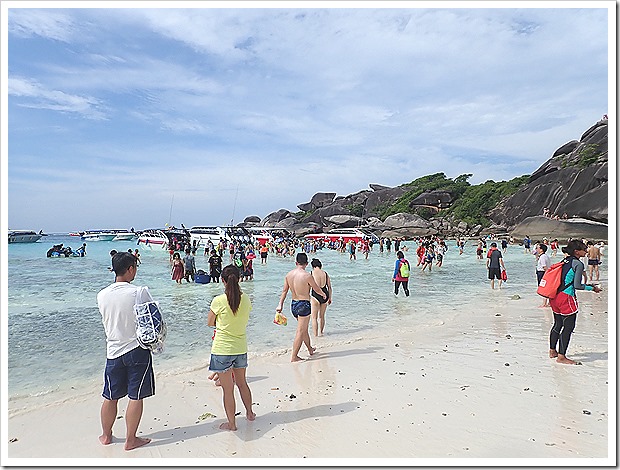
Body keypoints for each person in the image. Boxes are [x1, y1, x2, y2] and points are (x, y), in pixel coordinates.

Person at [97, 252, 155, 451]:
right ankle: (131, 439)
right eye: (135, 267)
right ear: (130, 269)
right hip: (136, 349)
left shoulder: (101, 295)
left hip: (112, 350)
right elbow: (152, 320)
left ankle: (106, 435)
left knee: (110, 396)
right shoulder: (139, 292)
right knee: (135, 396)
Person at [207, 265, 256, 430]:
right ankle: (250, 413)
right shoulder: (247, 299)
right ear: (240, 279)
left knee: (228, 390)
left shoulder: (218, 300)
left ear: (222, 280)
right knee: (242, 383)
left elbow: (209, 322)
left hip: (222, 349)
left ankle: (232, 424)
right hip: (240, 347)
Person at [549, 241, 602, 365]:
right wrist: (592, 288)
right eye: (584, 249)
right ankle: (561, 357)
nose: (586, 251)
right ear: (576, 251)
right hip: (566, 297)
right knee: (568, 327)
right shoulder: (578, 264)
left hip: (554, 296)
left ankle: (552, 351)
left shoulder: (564, 260)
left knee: (557, 324)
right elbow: (577, 285)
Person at [276, 252, 326, 362]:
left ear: (296, 262)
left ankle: (310, 349)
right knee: (300, 331)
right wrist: (323, 294)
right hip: (304, 304)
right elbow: (316, 288)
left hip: (293, 304)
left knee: (303, 330)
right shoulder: (307, 275)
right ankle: (294, 356)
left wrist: (280, 304)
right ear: (307, 263)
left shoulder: (289, 275)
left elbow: (284, 291)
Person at [310, 258, 332, 337]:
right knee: (322, 316)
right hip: (325, 294)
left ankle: (316, 335)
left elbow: (309, 286)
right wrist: (330, 297)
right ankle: (321, 333)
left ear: (313, 266)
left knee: (314, 318)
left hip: (315, 295)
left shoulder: (312, 273)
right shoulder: (325, 273)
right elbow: (329, 287)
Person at [536, 243, 552, 308]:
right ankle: (548, 302)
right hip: (543, 272)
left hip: (542, 273)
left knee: (543, 288)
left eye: (538, 248)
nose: (536, 249)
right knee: (546, 287)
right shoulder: (545, 256)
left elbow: (544, 267)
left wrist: (547, 274)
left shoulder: (543, 257)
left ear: (541, 250)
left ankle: (544, 303)